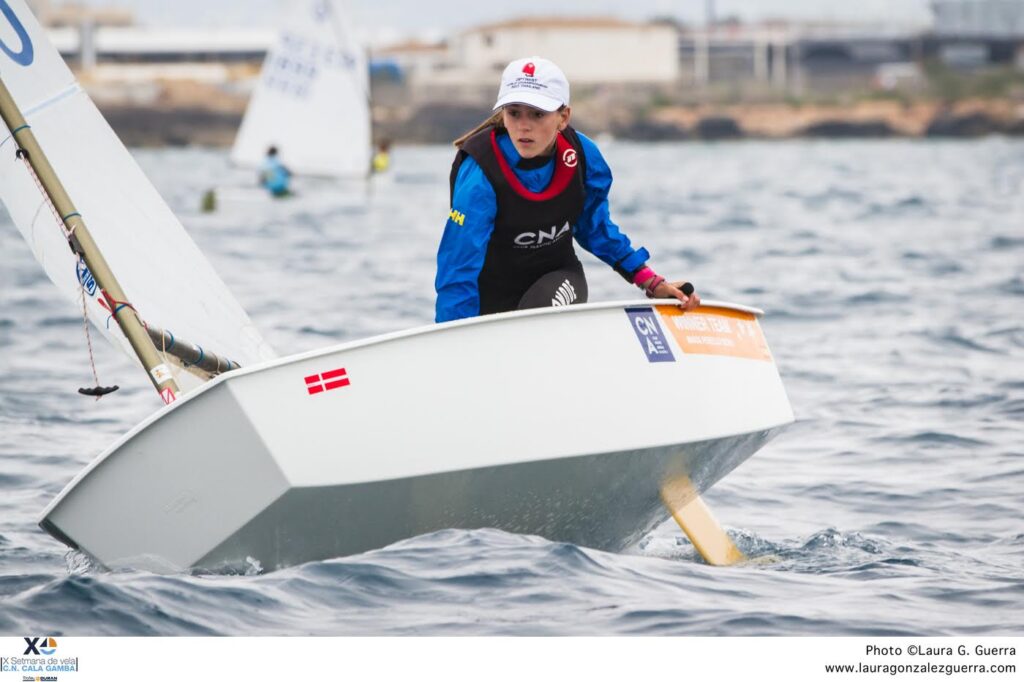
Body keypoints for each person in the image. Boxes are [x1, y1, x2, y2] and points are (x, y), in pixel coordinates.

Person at [434, 56, 700, 323]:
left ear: (563, 117)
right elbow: (458, 266)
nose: (523, 126)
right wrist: (453, 338)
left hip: (557, 279)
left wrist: (650, 282)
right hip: (487, 296)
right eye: (514, 113)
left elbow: (594, 228)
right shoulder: (481, 173)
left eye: (537, 114)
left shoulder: (583, 157)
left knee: (536, 320)